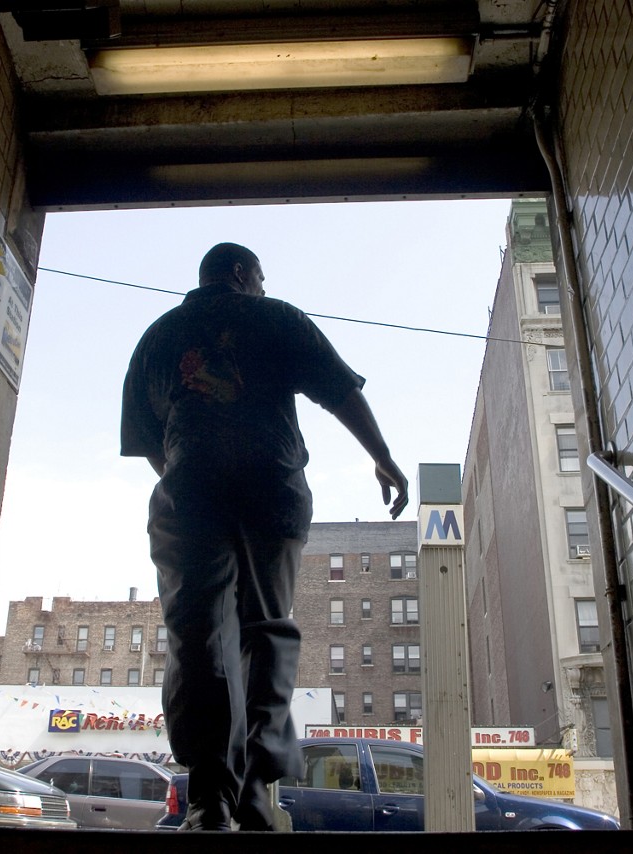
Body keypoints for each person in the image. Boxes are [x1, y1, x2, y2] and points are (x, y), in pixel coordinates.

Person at [120, 243, 408, 831]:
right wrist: (382, 458)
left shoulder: (157, 337)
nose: (261, 283)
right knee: (267, 628)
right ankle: (255, 786)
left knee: (197, 636)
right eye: (259, 275)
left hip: (189, 496)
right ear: (241, 274)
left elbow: (149, 442)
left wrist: (190, 478)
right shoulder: (274, 316)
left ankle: (209, 801)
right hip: (270, 489)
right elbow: (340, 391)